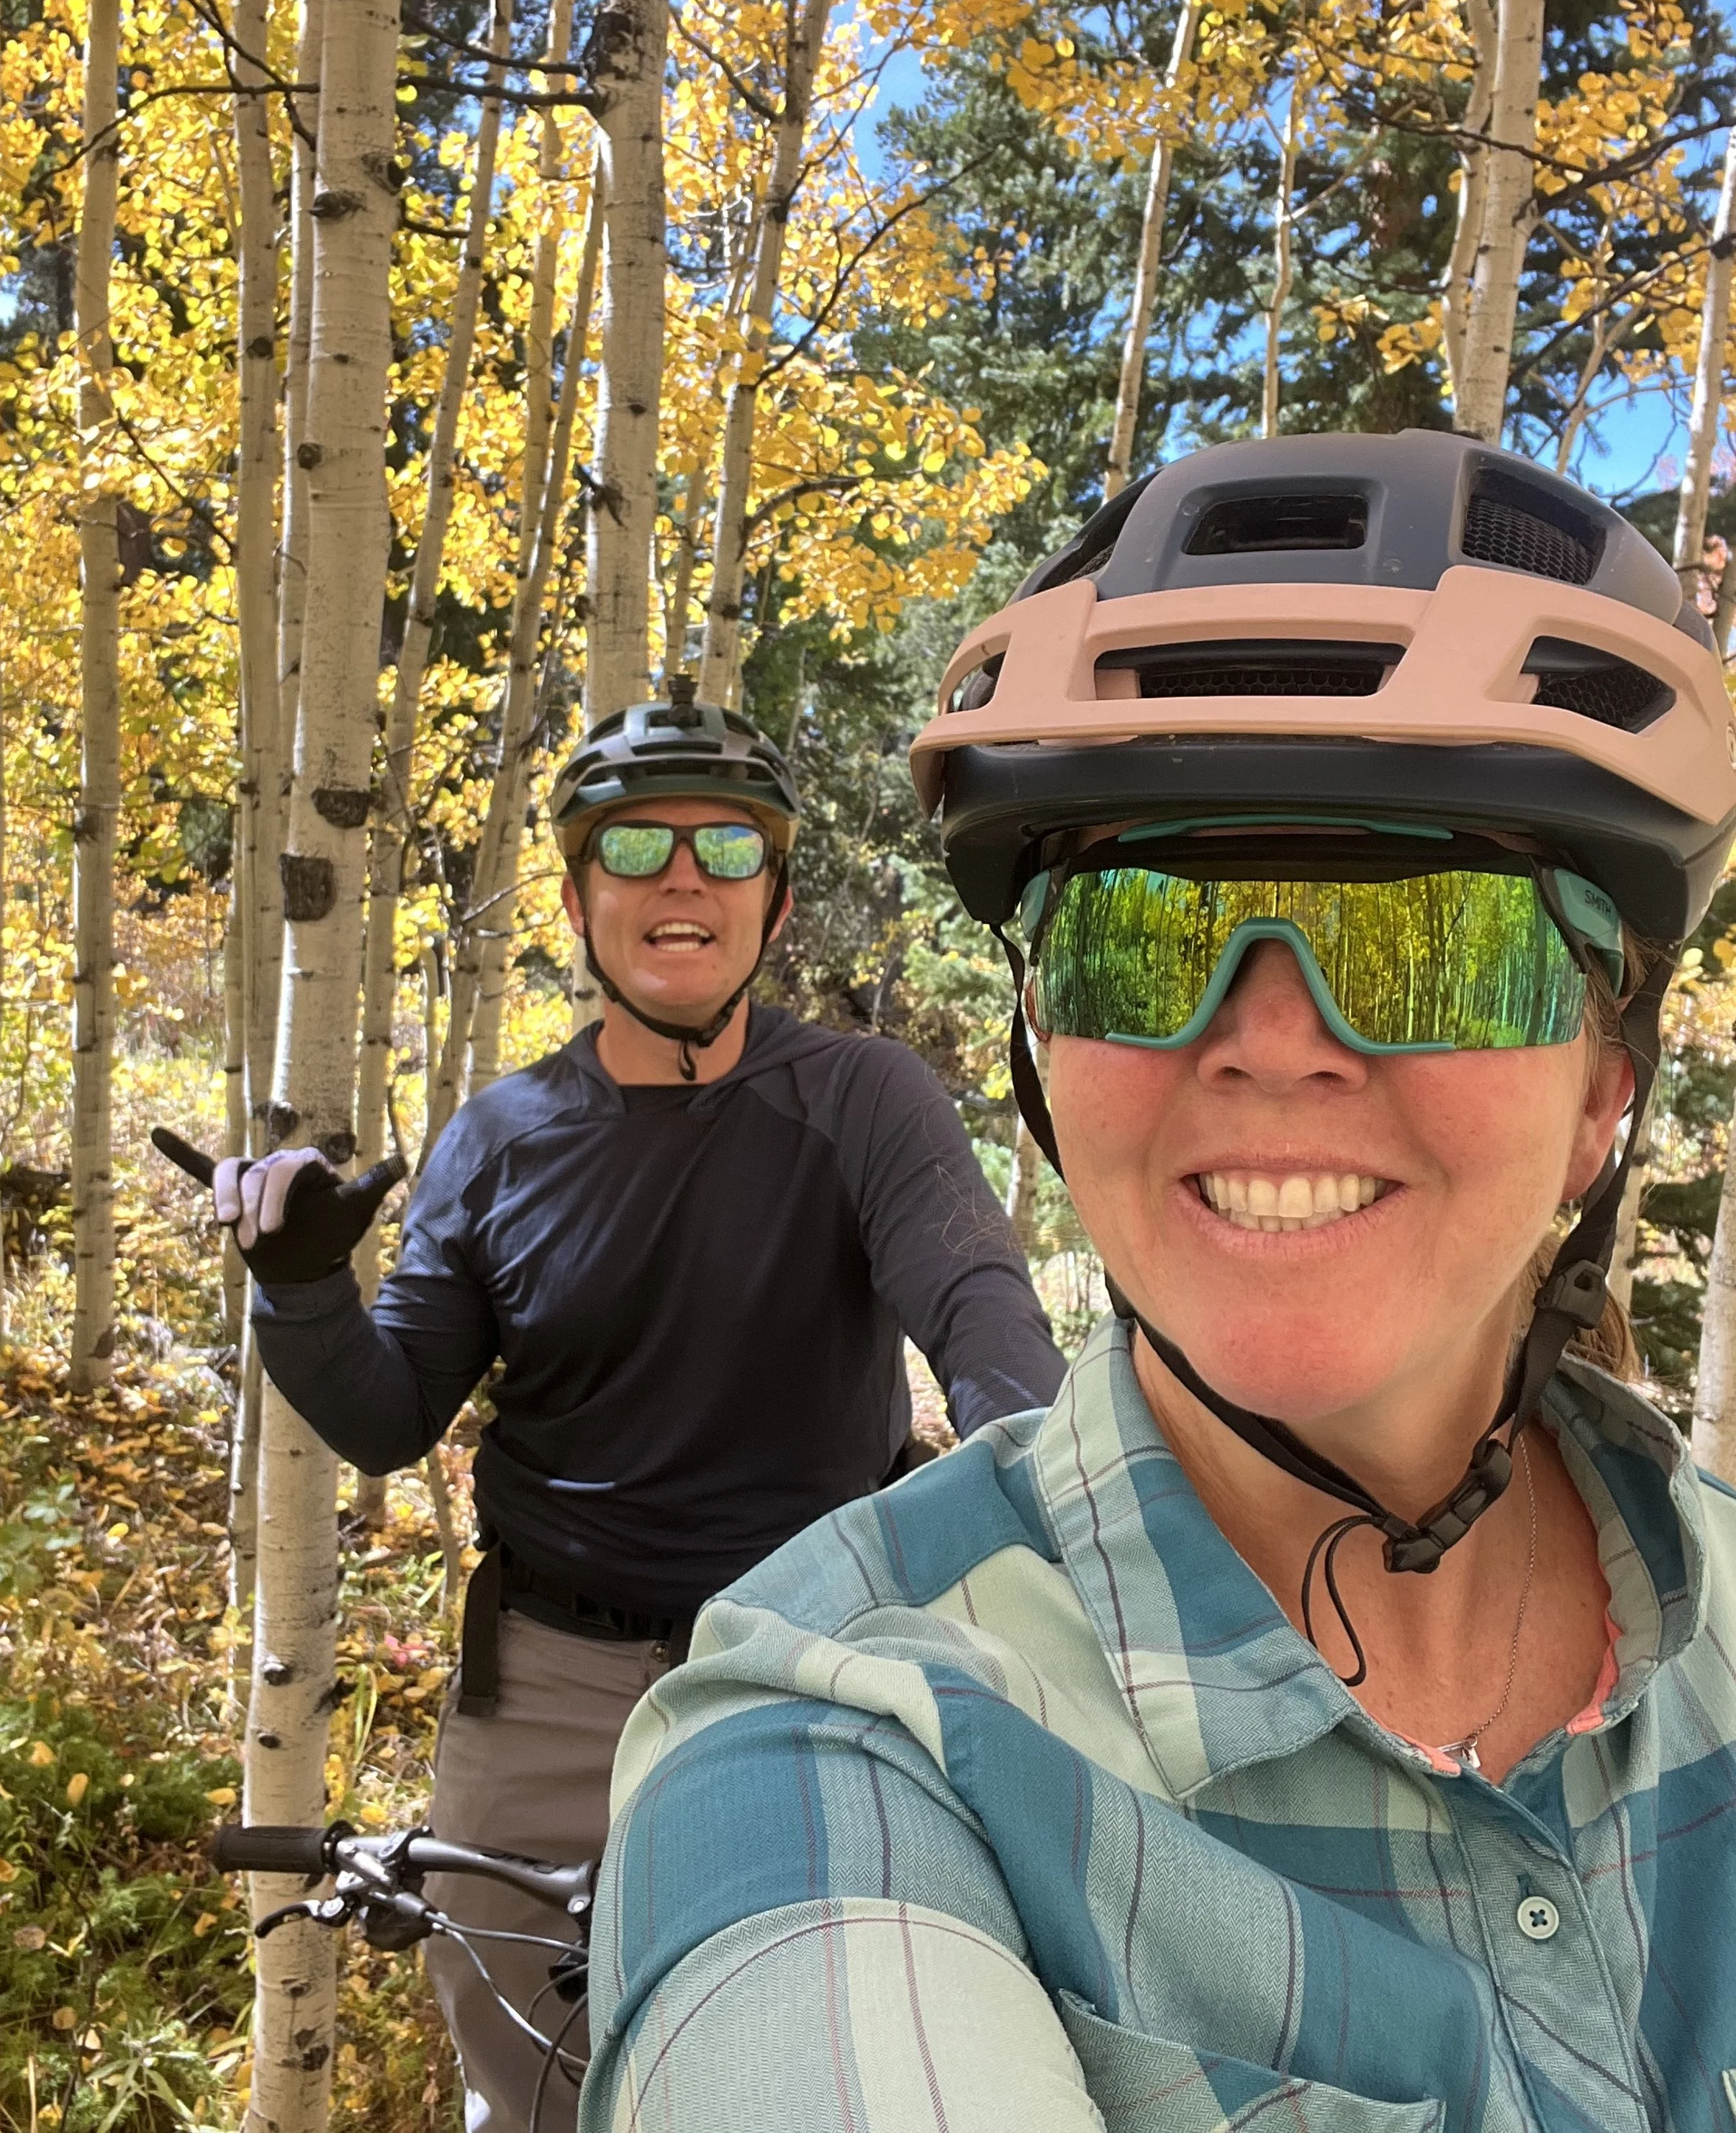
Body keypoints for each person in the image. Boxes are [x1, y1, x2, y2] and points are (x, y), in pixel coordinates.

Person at [582, 430, 1736, 2133]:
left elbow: (963, 1286)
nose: (1268, 1046)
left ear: (1601, 1089)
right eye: (1136, 930)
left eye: (1438, 945)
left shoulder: (855, 1098)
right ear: (1047, 1058)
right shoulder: (846, 1742)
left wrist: (993, 1402)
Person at [178, 679, 1065, 2132]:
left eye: (724, 851)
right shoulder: (499, 1139)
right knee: (522, 2077)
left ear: (775, 906)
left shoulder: (863, 1102)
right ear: (579, 895)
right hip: (544, 1688)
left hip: (807, 1665)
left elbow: (976, 1310)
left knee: (806, 2071)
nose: (680, 882)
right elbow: (391, 1412)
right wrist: (302, 1290)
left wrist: (1050, 1488)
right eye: (636, 848)